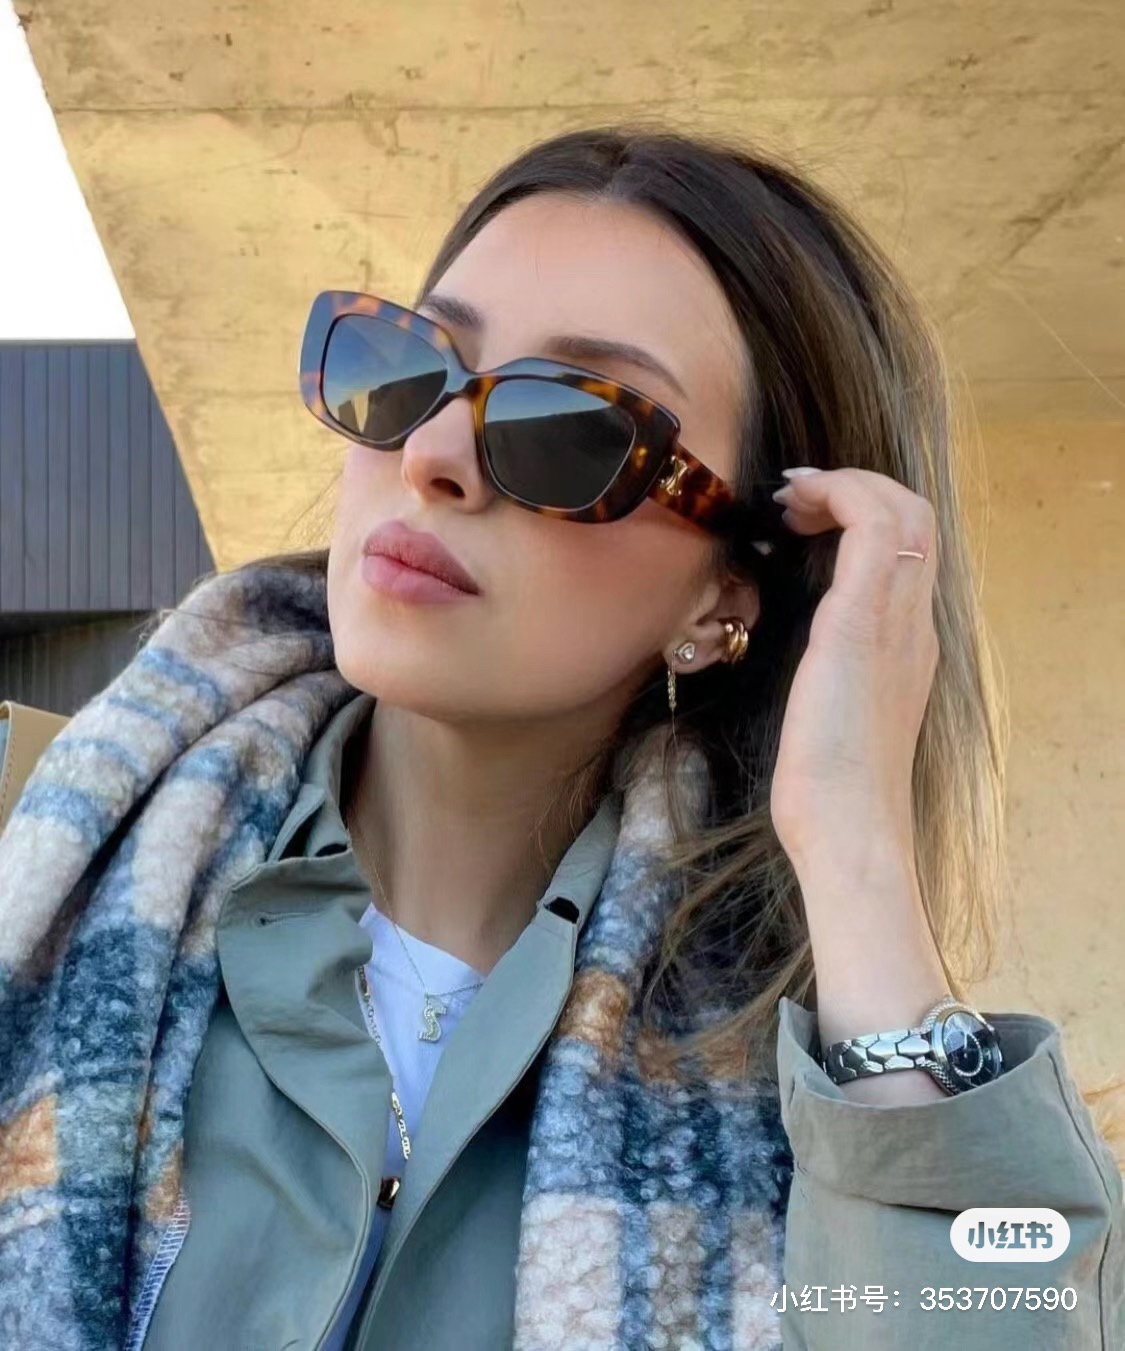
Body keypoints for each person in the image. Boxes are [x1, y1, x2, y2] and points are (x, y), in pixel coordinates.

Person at [0, 126, 1121, 1351]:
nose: (433, 456)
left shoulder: (831, 1104)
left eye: (571, 429)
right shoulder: (46, 868)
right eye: (408, 369)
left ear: (723, 598)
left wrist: (854, 846)